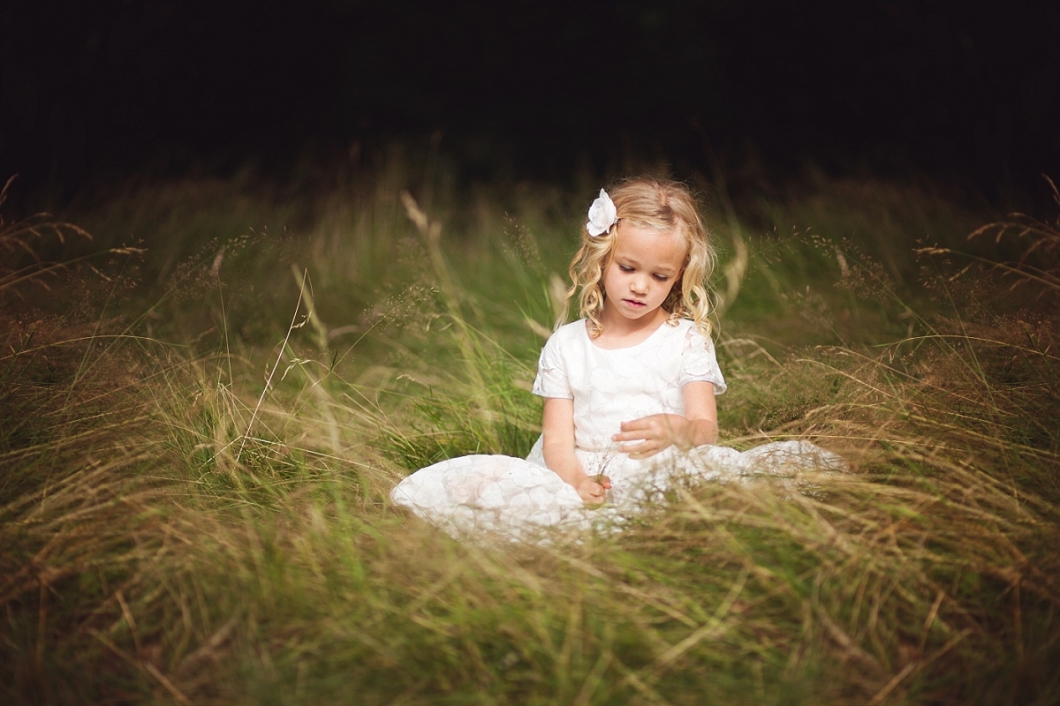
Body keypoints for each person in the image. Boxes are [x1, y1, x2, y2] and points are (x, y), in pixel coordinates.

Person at [391, 178, 841, 540]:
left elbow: (706, 430)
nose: (641, 286)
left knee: (722, 488)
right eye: (628, 268)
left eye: (659, 275)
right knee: (520, 497)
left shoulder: (686, 340)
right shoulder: (567, 346)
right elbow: (557, 444)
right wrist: (577, 479)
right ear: (602, 260)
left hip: (663, 464)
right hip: (580, 467)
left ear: (678, 278)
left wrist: (678, 429)